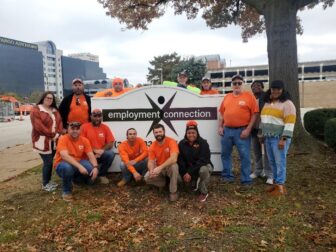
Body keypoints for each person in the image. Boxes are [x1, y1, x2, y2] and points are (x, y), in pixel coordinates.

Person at [218, 74, 258, 191]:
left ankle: (246, 179)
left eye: (239, 83)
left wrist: (248, 129)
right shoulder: (227, 97)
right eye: (234, 83)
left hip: (242, 130)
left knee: (245, 156)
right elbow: (221, 113)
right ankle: (227, 176)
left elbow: (255, 114)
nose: (237, 85)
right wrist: (220, 126)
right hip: (227, 130)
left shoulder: (249, 97)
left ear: (243, 84)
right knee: (225, 154)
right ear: (232, 85)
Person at [260, 80, 296, 196]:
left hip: (279, 138)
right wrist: (262, 134)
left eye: (278, 89)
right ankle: (275, 184)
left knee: (280, 162)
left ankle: (280, 186)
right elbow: (264, 120)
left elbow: (290, 122)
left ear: (282, 90)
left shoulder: (288, 104)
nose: (275, 91)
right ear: (270, 89)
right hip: (268, 138)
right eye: (273, 88)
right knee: (272, 162)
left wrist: (283, 139)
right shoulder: (267, 102)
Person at [54, 121, 99, 201]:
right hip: (62, 164)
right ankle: (66, 191)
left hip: (77, 162)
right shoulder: (63, 139)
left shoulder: (84, 140)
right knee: (67, 168)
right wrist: (80, 167)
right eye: (72, 129)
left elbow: (91, 155)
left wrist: (95, 167)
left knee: (90, 168)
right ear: (68, 130)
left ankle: (75, 180)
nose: (75, 131)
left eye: (77, 129)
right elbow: (64, 156)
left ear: (80, 130)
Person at [30, 91, 63, 192]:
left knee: (50, 161)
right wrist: (53, 135)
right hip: (42, 141)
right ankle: (45, 183)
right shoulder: (36, 110)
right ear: (43, 98)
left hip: (54, 141)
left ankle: (48, 181)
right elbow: (39, 127)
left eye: (51, 98)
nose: (49, 100)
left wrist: (58, 134)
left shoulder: (55, 110)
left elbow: (60, 122)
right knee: (48, 162)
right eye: (47, 98)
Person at [178, 121, 213, 202]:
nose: (191, 135)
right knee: (183, 181)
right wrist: (184, 173)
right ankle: (192, 183)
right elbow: (180, 160)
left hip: (202, 166)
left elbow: (203, 160)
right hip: (188, 169)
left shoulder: (203, 143)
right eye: (189, 133)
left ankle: (204, 192)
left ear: (197, 133)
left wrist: (189, 172)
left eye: (193, 132)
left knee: (203, 170)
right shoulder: (181, 143)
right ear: (186, 133)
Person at [144, 124, 180, 202]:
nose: (158, 134)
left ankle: (173, 191)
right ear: (153, 133)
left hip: (169, 167)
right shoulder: (153, 146)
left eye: (160, 131)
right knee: (147, 177)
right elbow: (151, 161)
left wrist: (160, 168)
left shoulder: (171, 141)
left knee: (174, 166)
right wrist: (151, 170)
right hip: (160, 169)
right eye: (156, 132)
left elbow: (174, 159)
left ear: (164, 132)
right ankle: (164, 183)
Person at [81, 109, 116, 184]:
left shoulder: (105, 127)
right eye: (95, 116)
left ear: (101, 117)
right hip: (87, 155)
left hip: (100, 154)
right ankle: (90, 176)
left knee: (110, 154)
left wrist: (101, 151)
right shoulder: (84, 127)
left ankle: (101, 175)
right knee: (89, 182)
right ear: (91, 116)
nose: (97, 118)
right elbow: (81, 143)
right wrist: (93, 151)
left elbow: (110, 142)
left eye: (99, 116)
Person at [249, 80, 273, 184]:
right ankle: (258, 170)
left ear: (262, 87)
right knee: (256, 151)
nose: (256, 87)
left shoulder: (267, 97)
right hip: (254, 130)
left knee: (267, 153)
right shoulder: (251, 98)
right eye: (253, 86)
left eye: (258, 85)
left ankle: (269, 174)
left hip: (265, 129)